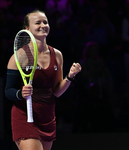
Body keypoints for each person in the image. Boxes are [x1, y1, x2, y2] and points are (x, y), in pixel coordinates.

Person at [4, 10, 81, 150]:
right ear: (27, 29)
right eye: (37, 22)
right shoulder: (19, 56)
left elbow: (56, 92)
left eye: (45, 22)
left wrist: (70, 76)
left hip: (47, 117)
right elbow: (8, 91)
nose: (43, 25)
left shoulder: (57, 55)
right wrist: (21, 93)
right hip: (25, 117)